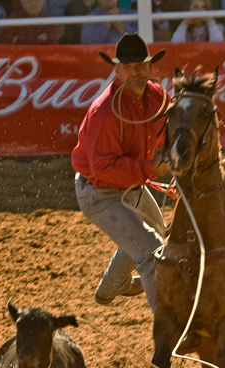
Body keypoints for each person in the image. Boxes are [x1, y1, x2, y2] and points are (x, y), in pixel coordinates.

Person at [72, 33, 171, 309]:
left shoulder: (158, 97)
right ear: (117, 70)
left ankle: (111, 287)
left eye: (141, 66)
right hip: (99, 192)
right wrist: (151, 167)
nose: (137, 72)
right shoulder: (105, 112)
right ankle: (170, 328)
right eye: (129, 67)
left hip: (130, 185)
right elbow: (104, 169)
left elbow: (170, 131)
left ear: (150, 68)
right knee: (152, 250)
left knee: (155, 236)